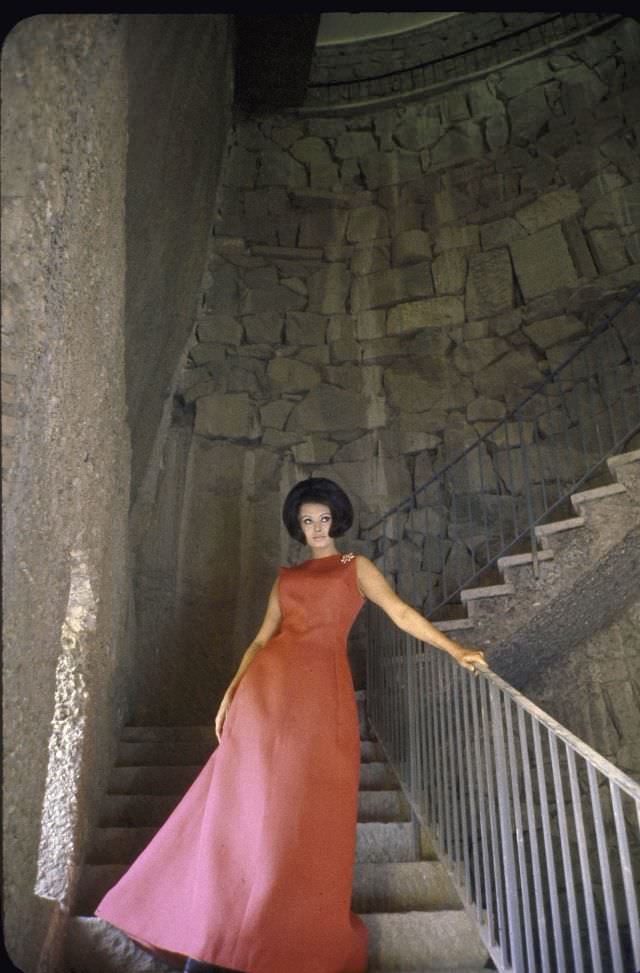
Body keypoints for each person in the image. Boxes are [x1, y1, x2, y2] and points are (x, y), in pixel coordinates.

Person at [95, 477, 487, 973]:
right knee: (238, 807)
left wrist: (456, 649)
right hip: (266, 692)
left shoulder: (354, 567)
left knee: (301, 811)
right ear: (297, 527)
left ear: (336, 520)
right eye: (307, 521)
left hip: (321, 697)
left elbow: (401, 613)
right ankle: (212, 929)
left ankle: (277, 934)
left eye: (324, 519)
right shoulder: (286, 577)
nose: (317, 528)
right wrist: (230, 694)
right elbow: (261, 641)